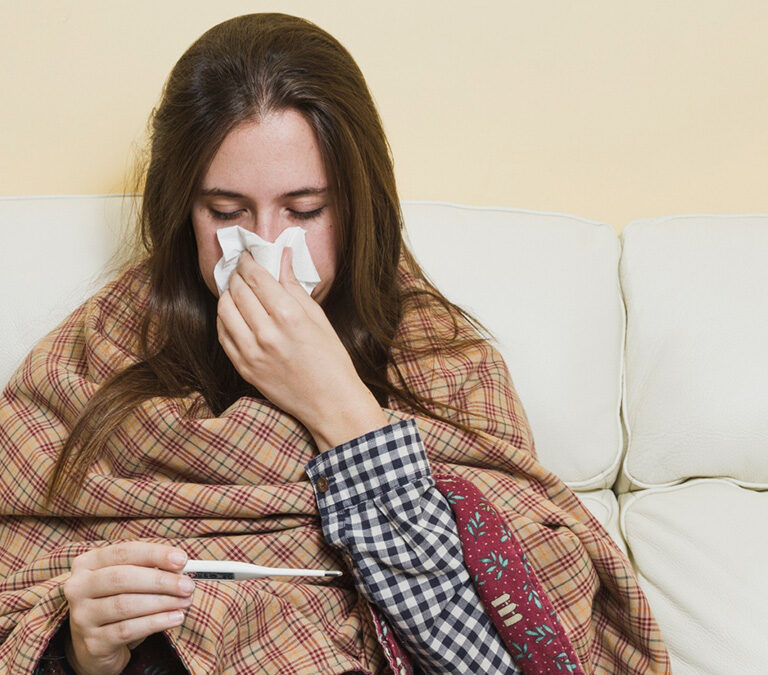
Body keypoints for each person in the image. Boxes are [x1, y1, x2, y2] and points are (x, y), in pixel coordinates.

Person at [0, 12, 672, 675]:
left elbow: (503, 657)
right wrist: (86, 649)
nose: (265, 249)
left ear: (356, 204)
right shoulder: (94, 362)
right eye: (227, 212)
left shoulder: (446, 363)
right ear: (182, 211)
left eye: (304, 210)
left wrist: (340, 408)